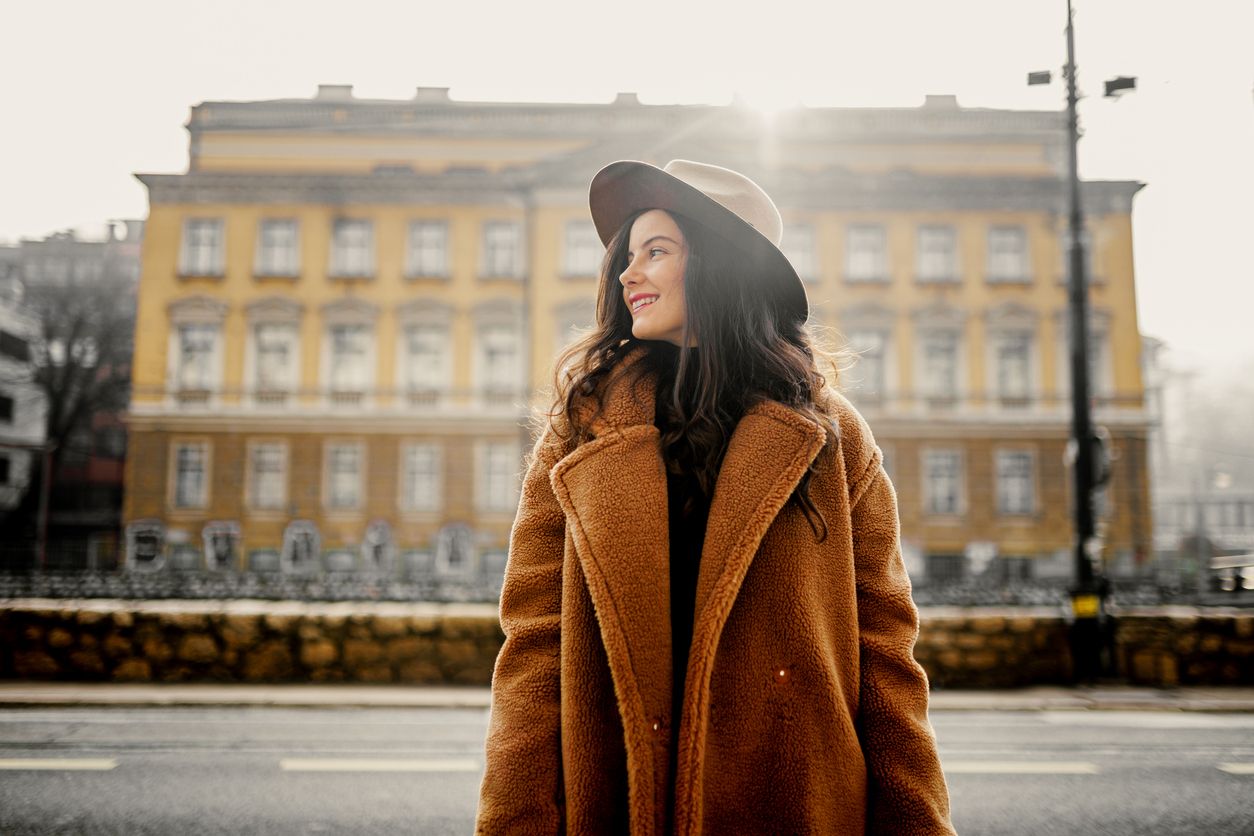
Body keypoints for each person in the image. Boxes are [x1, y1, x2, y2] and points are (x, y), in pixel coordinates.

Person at [476, 160, 955, 835]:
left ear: (720, 266)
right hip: (617, 805)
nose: (627, 274)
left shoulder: (832, 435)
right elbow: (533, 651)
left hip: (794, 806)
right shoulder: (580, 431)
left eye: (657, 251)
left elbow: (886, 660)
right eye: (628, 254)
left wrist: (918, 825)